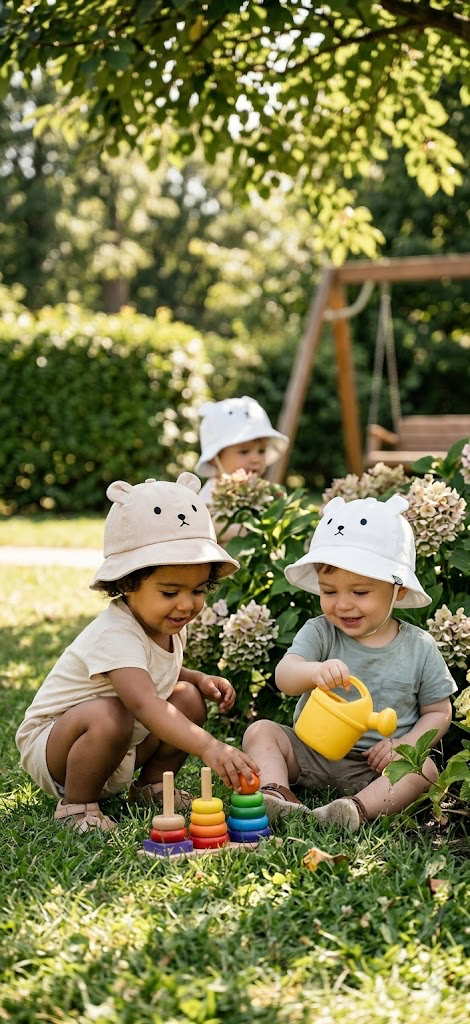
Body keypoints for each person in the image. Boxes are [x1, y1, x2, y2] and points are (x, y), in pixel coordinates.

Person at [16, 473, 259, 833]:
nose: (186, 604)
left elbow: (155, 675)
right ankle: (77, 807)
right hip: (59, 749)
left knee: (188, 699)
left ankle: (151, 787)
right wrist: (210, 747)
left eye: (198, 590)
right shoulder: (116, 633)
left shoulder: (167, 623)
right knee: (111, 713)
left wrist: (196, 678)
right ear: (128, 583)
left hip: (120, 741)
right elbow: (145, 703)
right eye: (170, 592)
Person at [243, 494, 456, 830]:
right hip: (310, 752)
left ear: (397, 590)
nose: (342, 605)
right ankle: (278, 794)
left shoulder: (419, 647)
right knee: (261, 731)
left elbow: (439, 711)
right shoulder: (321, 632)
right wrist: (313, 672)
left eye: (359, 593)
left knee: (424, 770)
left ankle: (353, 810)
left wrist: (406, 745)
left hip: (373, 768)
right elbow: (285, 676)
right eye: (329, 591)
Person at [195, 397, 289, 529]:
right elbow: (206, 528)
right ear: (214, 458)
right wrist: (250, 531)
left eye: (261, 451)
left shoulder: (263, 493)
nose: (256, 459)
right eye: (244, 452)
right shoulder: (210, 496)